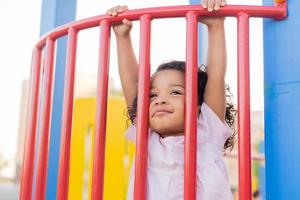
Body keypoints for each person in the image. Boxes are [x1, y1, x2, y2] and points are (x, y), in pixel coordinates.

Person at [107, 0, 236, 199]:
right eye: (153, 95)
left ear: (197, 106)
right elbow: (133, 85)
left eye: (175, 92)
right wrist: (122, 36)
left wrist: (216, 26)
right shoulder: (146, 135)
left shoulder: (207, 130)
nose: (160, 100)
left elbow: (216, 75)